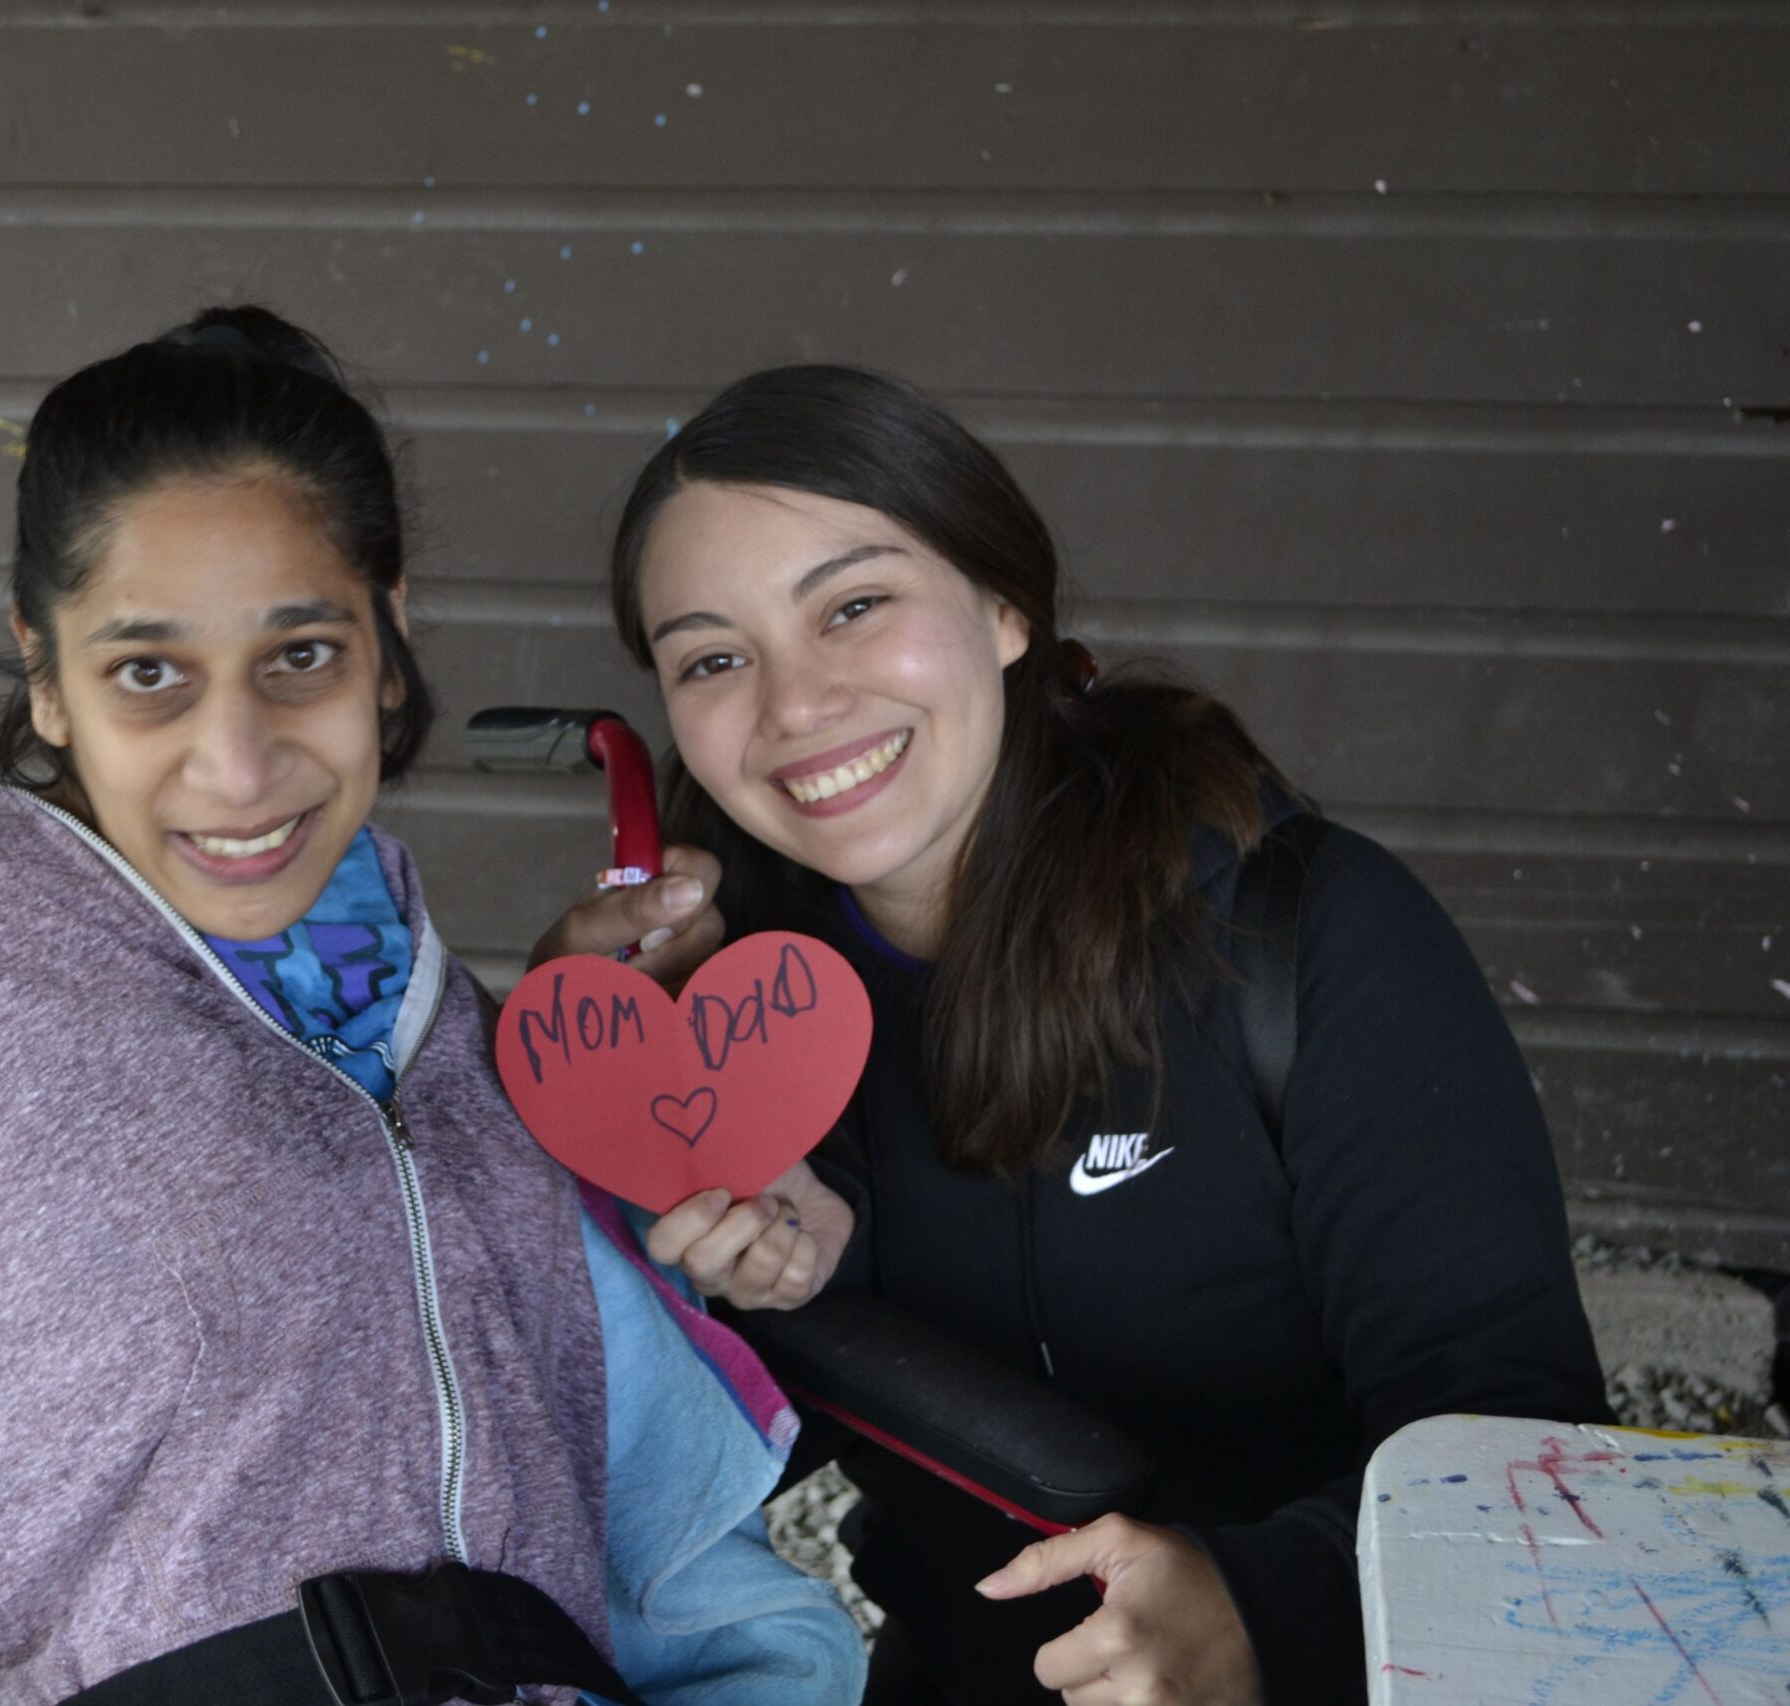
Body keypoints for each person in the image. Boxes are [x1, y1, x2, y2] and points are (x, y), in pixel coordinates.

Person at [0, 310, 865, 1706]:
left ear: (388, 635)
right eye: (147, 672)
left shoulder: (397, 966)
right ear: (44, 673)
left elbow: (607, 1471)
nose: (237, 767)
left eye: (301, 655)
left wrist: (625, 1111)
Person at [531, 364, 1609, 1705]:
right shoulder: (739, 1005)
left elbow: (1528, 1429)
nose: (793, 703)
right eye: (714, 657)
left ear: (1003, 606)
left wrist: (1268, 1612)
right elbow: (650, 1461)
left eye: (854, 605)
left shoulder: (1307, 935)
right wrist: (655, 1173)